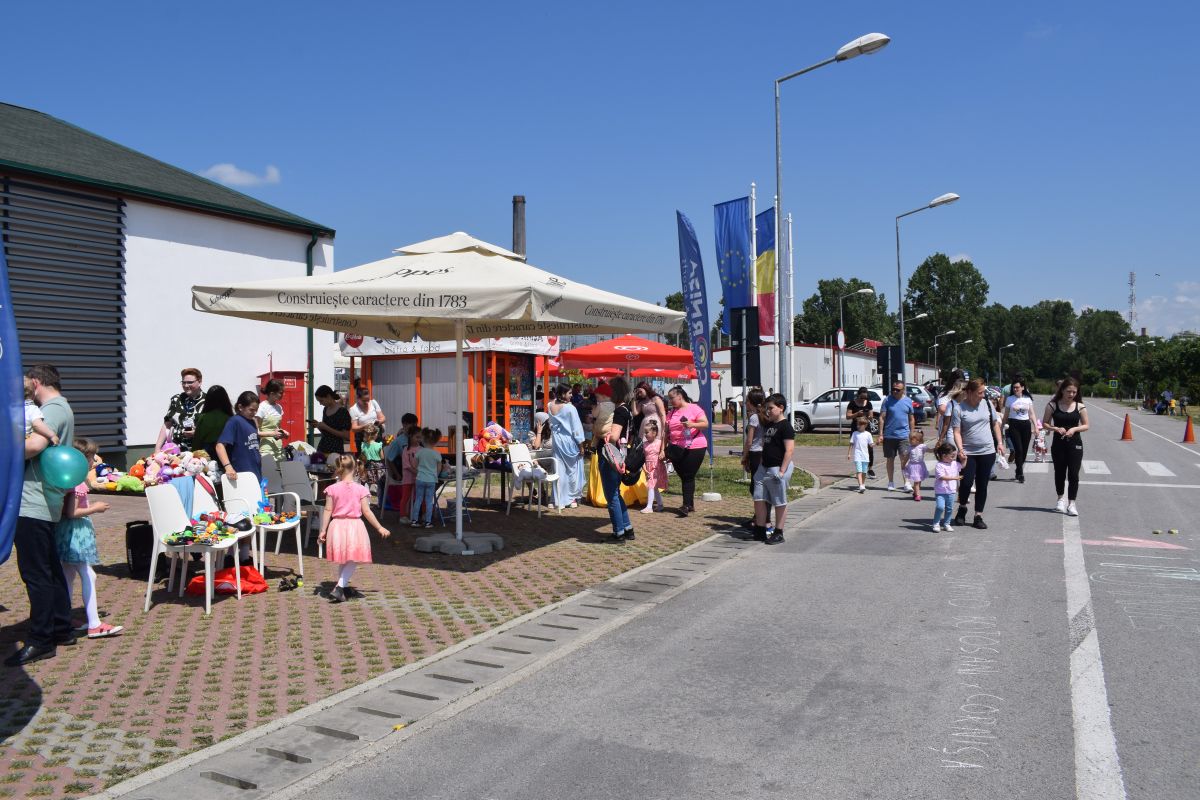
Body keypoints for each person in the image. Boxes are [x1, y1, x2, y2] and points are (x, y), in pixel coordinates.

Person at [7, 365, 76, 667]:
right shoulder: (58, 408)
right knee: (49, 568)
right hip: (42, 499)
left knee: (36, 573)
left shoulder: (51, 410)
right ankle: (61, 628)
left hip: (32, 500)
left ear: (35, 382)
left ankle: (41, 639)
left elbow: (35, 445)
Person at [56, 438, 122, 639]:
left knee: (68, 574)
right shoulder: (77, 483)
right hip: (75, 532)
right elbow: (72, 512)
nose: (95, 461)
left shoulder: (67, 478)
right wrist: (95, 508)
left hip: (65, 531)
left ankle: (64, 618)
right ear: (82, 459)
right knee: (88, 574)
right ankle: (94, 623)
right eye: (92, 457)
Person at [318, 454, 390, 603]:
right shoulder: (360, 489)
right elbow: (367, 511)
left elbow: (327, 510)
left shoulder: (331, 489)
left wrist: (323, 530)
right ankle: (340, 587)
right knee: (354, 558)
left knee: (344, 559)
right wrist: (379, 527)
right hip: (354, 526)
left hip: (336, 526)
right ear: (355, 468)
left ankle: (342, 589)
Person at [951, 378, 1006, 530]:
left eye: (983, 392)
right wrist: (960, 449)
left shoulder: (987, 404)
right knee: (966, 483)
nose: (983, 395)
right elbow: (956, 432)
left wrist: (1000, 443)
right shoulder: (959, 408)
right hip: (967, 452)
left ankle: (978, 516)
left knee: (982, 484)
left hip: (987, 451)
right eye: (980, 393)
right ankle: (962, 508)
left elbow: (995, 424)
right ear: (969, 392)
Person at [751, 393, 794, 545]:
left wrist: (782, 471)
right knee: (759, 498)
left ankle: (778, 532)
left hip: (777, 468)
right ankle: (760, 530)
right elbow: (765, 445)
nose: (768, 411)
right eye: (767, 408)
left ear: (781, 408)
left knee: (779, 501)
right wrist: (761, 463)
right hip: (763, 468)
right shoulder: (769, 425)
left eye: (771, 408)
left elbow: (789, 450)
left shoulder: (786, 426)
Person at [1042, 376, 1089, 516]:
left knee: (1074, 474)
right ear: (1062, 390)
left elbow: (1086, 425)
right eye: (1069, 391)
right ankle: (1060, 499)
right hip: (1058, 444)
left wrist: (1074, 429)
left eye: (1074, 392)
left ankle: (1072, 503)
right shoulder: (1052, 405)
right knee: (1060, 472)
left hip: (1075, 444)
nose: (1071, 394)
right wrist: (1055, 428)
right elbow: (1045, 423)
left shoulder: (1080, 406)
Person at [664, 385, 709, 517]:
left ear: (680, 396)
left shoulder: (694, 408)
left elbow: (705, 424)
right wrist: (663, 448)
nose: (670, 401)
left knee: (688, 475)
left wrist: (692, 424)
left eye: (672, 398)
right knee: (683, 475)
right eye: (669, 398)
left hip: (695, 446)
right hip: (676, 448)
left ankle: (686, 505)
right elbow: (666, 431)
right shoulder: (672, 412)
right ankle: (690, 504)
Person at [548, 386, 586, 509]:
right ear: (563, 394)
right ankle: (571, 498)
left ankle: (556, 499)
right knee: (572, 470)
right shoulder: (570, 408)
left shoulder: (549, 405)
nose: (571, 395)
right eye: (569, 393)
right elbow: (576, 429)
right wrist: (581, 446)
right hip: (569, 442)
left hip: (556, 441)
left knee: (558, 470)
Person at [598, 418, 634, 543]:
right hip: (618, 456)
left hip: (611, 457)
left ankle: (619, 533)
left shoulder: (619, 411)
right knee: (616, 494)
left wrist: (599, 431)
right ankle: (627, 528)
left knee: (612, 496)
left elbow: (614, 436)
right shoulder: (626, 412)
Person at [215, 391, 263, 483]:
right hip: (240, 475)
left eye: (256, 410)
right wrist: (228, 467)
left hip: (255, 473)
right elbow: (219, 446)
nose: (254, 413)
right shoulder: (234, 421)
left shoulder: (252, 422)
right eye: (251, 410)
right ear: (240, 407)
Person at [878, 379, 915, 492]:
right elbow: (882, 417)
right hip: (889, 435)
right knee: (890, 459)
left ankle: (907, 483)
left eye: (897, 390)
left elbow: (911, 419)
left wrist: (912, 433)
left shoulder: (908, 401)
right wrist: (880, 434)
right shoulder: (887, 400)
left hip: (904, 435)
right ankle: (891, 482)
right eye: (893, 389)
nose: (894, 391)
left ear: (903, 390)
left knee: (905, 459)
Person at [157, 367, 206, 451]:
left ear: (199, 382)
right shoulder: (176, 399)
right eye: (184, 382)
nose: (186, 385)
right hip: (177, 450)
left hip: (199, 450)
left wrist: (197, 433)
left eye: (190, 382)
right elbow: (167, 424)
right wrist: (157, 449)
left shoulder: (208, 400)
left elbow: (213, 428)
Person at [410, 428, 447, 528]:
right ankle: (428, 522)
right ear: (436, 441)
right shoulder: (437, 454)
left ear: (423, 439)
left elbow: (414, 465)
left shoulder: (419, 452)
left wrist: (419, 471)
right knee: (429, 501)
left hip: (420, 478)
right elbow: (439, 468)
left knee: (418, 500)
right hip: (431, 480)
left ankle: (414, 520)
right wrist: (435, 475)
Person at [1002, 378, 1036, 483]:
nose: (1015, 389)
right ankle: (1020, 473)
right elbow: (1006, 414)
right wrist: (1001, 426)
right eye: (1014, 387)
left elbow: (1032, 414)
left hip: (1026, 425)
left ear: (1022, 388)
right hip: (1014, 425)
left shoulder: (1027, 399)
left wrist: (1036, 426)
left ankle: (1018, 468)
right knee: (1019, 449)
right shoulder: (1010, 399)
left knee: (1024, 451)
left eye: (1017, 387)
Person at [190, 385, 233, 456]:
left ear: (208, 400)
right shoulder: (230, 418)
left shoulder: (204, 417)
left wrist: (193, 454)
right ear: (225, 399)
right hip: (227, 452)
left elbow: (197, 441)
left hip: (207, 453)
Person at [311, 385, 351, 455]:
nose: (320, 404)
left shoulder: (342, 411)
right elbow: (326, 433)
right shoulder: (325, 409)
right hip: (323, 448)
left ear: (328, 396)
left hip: (336, 450)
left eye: (321, 400)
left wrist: (326, 427)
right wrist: (318, 426)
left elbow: (347, 435)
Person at [845, 386, 876, 478]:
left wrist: (869, 417)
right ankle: (859, 470)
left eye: (865, 397)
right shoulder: (852, 403)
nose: (863, 399)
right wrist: (856, 414)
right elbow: (848, 416)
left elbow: (871, 416)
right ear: (858, 395)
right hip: (856, 427)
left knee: (869, 448)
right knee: (858, 448)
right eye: (861, 397)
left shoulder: (868, 403)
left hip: (866, 427)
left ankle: (870, 469)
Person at [741, 388, 766, 497]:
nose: (745, 403)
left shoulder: (754, 418)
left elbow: (749, 441)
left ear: (751, 402)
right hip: (764, 452)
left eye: (746, 401)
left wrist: (744, 457)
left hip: (755, 453)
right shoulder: (765, 415)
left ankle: (760, 507)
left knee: (755, 486)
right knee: (761, 482)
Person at [931, 442, 962, 532]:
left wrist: (964, 460)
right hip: (940, 491)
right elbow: (941, 477)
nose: (954, 458)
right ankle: (936, 523)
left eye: (954, 456)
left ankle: (947, 524)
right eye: (952, 456)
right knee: (940, 507)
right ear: (944, 456)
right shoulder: (939, 465)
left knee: (949, 509)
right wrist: (955, 478)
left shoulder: (954, 463)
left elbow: (962, 466)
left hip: (951, 491)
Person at [256, 379, 288, 462]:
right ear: (272, 393)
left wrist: (283, 433)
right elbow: (256, 432)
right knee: (269, 470)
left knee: (282, 470)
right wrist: (272, 434)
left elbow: (277, 428)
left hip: (279, 448)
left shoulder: (279, 407)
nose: (283, 394)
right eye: (281, 392)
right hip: (266, 449)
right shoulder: (262, 407)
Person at [640, 419, 667, 513]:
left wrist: (663, 455)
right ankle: (660, 505)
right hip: (648, 467)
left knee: (651, 486)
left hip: (657, 467)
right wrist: (644, 468)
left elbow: (663, 453)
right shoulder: (644, 444)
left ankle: (649, 507)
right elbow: (642, 458)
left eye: (647, 432)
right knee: (654, 487)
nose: (645, 434)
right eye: (644, 432)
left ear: (654, 433)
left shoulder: (659, 443)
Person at [935, 370, 967, 449]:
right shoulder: (945, 395)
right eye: (959, 381)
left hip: (963, 431)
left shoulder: (965, 396)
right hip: (950, 432)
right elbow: (942, 410)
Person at [24, 377, 59, 445]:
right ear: (33, 394)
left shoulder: (11, 409)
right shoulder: (32, 409)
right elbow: (37, 425)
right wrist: (52, 435)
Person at [349, 386, 386, 451]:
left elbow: (383, 418)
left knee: (379, 455)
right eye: (364, 401)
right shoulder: (353, 409)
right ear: (357, 398)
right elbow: (354, 428)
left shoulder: (373, 403)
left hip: (376, 436)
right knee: (364, 457)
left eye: (368, 400)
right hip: (363, 439)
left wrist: (378, 422)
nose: (367, 402)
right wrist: (365, 426)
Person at [359, 424, 386, 505]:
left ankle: (366, 501)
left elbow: (362, 458)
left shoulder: (363, 445)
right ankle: (380, 503)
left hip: (368, 466)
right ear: (375, 435)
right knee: (380, 485)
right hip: (378, 468)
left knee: (367, 483)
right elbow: (382, 457)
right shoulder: (378, 445)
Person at [847, 416, 872, 494]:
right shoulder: (855, 434)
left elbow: (871, 445)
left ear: (865, 425)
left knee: (864, 472)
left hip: (865, 456)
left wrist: (877, 443)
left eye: (861, 424)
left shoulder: (868, 434)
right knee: (859, 471)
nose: (859, 426)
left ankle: (863, 484)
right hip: (857, 455)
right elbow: (851, 444)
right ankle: (861, 485)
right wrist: (849, 453)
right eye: (858, 424)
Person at [906, 429, 929, 502]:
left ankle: (915, 492)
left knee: (919, 480)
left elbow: (929, 450)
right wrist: (903, 464)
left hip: (920, 466)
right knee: (916, 481)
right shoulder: (910, 447)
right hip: (913, 466)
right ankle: (918, 495)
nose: (910, 441)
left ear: (918, 440)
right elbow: (906, 456)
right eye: (909, 439)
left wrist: (935, 449)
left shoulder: (922, 446)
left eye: (911, 439)